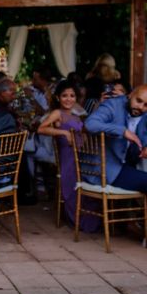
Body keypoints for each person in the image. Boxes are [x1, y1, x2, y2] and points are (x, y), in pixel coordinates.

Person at [38, 80, 100, 232]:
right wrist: (63, 132)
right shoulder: (57, 113)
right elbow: (41, 129)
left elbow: (83, 135)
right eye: (65, 95)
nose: (69, 99)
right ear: (58, 97)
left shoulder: (75, 115)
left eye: (72, 96)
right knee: (75, 187)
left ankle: (93, 217)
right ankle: (79, 219)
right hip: (68, 158)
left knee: (94, 181)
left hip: (80, 156)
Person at [84, 85, 147, 193]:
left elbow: (143, 133)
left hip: (128, 165)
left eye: (146, 105)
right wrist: (123, 131)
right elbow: (90, 124)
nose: (141, 107)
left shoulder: (143, 113)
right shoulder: (113, 105)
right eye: (138, 101)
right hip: (106, 168)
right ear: (130, 95)